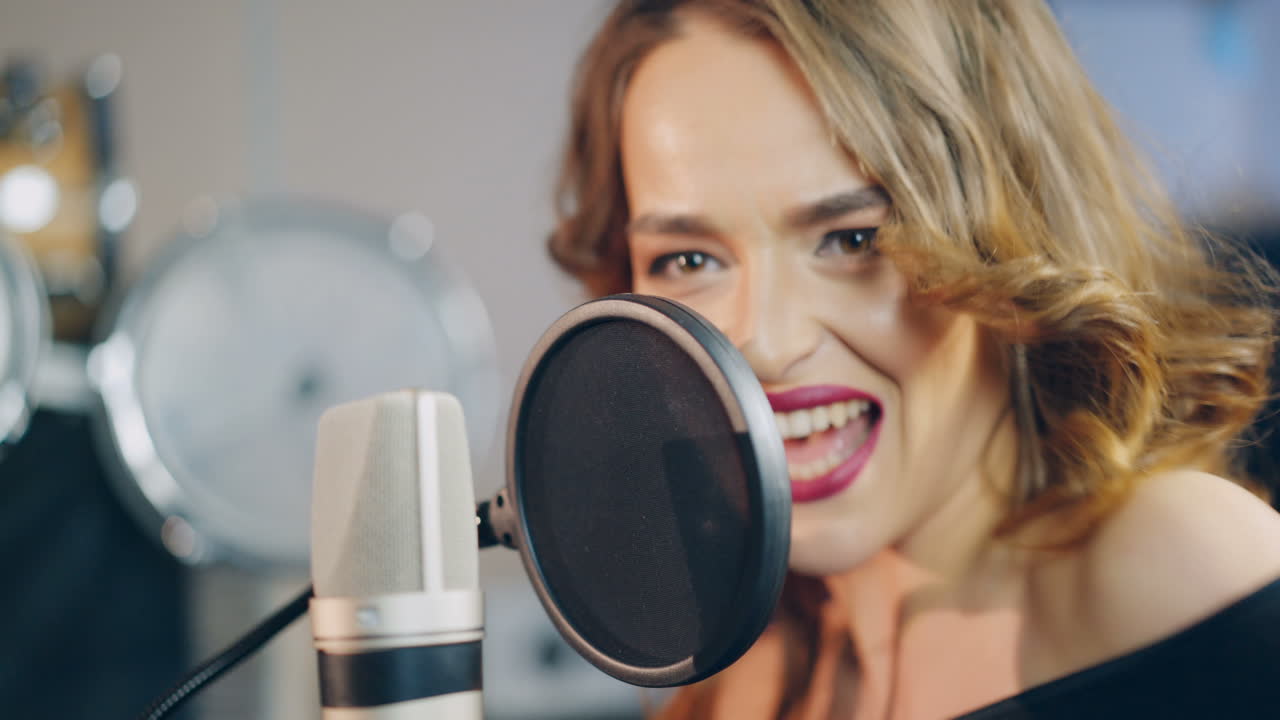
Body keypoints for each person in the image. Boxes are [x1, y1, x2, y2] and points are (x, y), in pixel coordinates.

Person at [547, 1, 1280, 718]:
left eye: (853, 239)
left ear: (1008, 234)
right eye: (689, 258)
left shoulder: (1178, 568)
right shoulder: (732, 685)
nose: (765, 342)